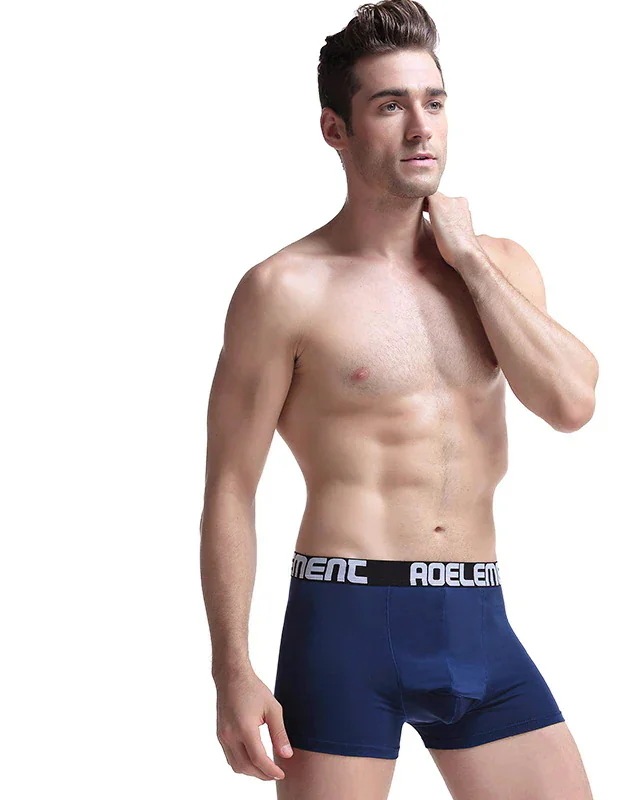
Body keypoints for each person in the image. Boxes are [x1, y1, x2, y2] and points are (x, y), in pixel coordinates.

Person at [199, 1, 599, 797]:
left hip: (478, 619)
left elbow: (571, 403)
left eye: (434, 102)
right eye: (390, 105)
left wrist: (469, 261)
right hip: (346, 622)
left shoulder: (501, 266)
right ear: (335, 129)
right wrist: (232, 671)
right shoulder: (284, 289)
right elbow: (230, 488)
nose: (422, 128)